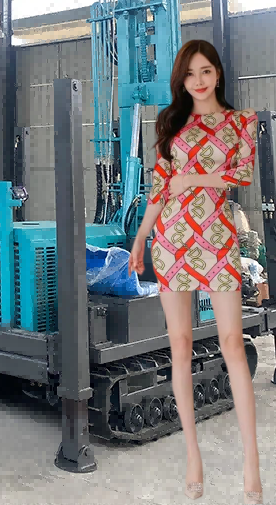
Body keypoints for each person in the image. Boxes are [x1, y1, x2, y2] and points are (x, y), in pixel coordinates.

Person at [128, 40, 263, 504]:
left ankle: (251, 462)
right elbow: (160, 186)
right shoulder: (171, 123)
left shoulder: (241, 122)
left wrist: (195, 179)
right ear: (181, 81)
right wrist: (141, 236)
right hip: (171, 240)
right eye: (190, 74)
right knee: (180, 346)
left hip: (218, 239)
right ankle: (193, 456)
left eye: (205, 71)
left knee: (232, 345)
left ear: (218, 73)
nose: (199, 81)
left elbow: (243, 175)